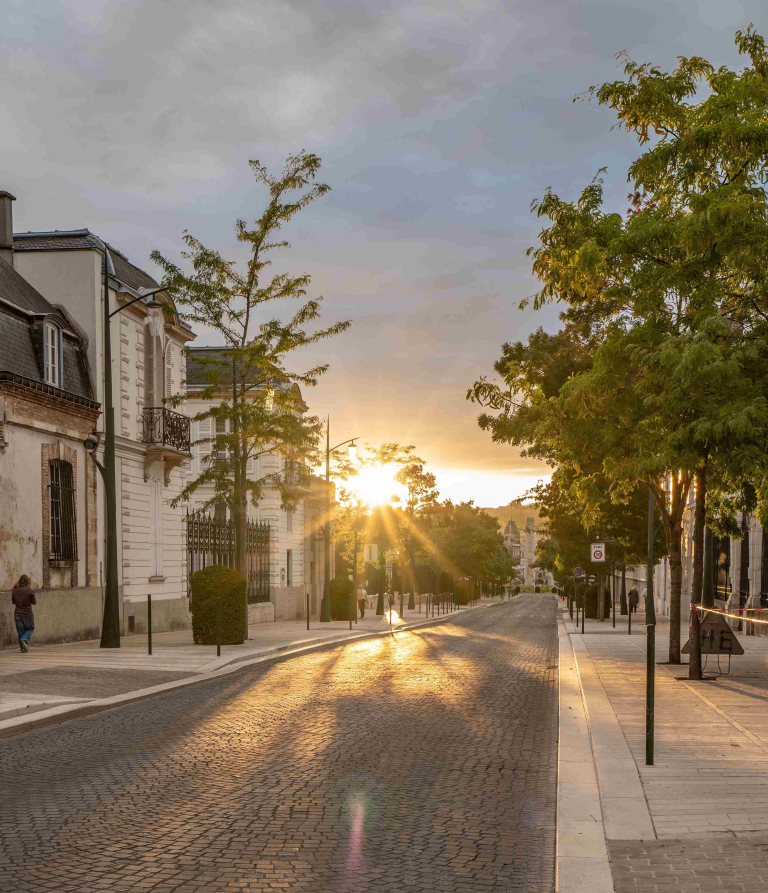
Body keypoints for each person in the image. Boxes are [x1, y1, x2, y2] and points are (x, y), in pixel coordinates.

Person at [12, 574, 36, 653]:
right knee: (30, 628)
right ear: (28, 582)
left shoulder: (15, 590)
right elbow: (34, 602)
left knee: (20, 631)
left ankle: (23, 648)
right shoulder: (29, 591)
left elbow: (13, 602)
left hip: (17, 614)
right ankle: (24, 639)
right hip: (27, 613)